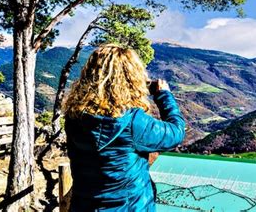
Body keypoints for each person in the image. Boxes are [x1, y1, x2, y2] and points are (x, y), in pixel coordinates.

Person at [63, 44, 185, 211]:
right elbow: (176, 133)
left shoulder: (74, 117)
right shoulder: (132, 121)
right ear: (131, 78)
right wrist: (164, 95)